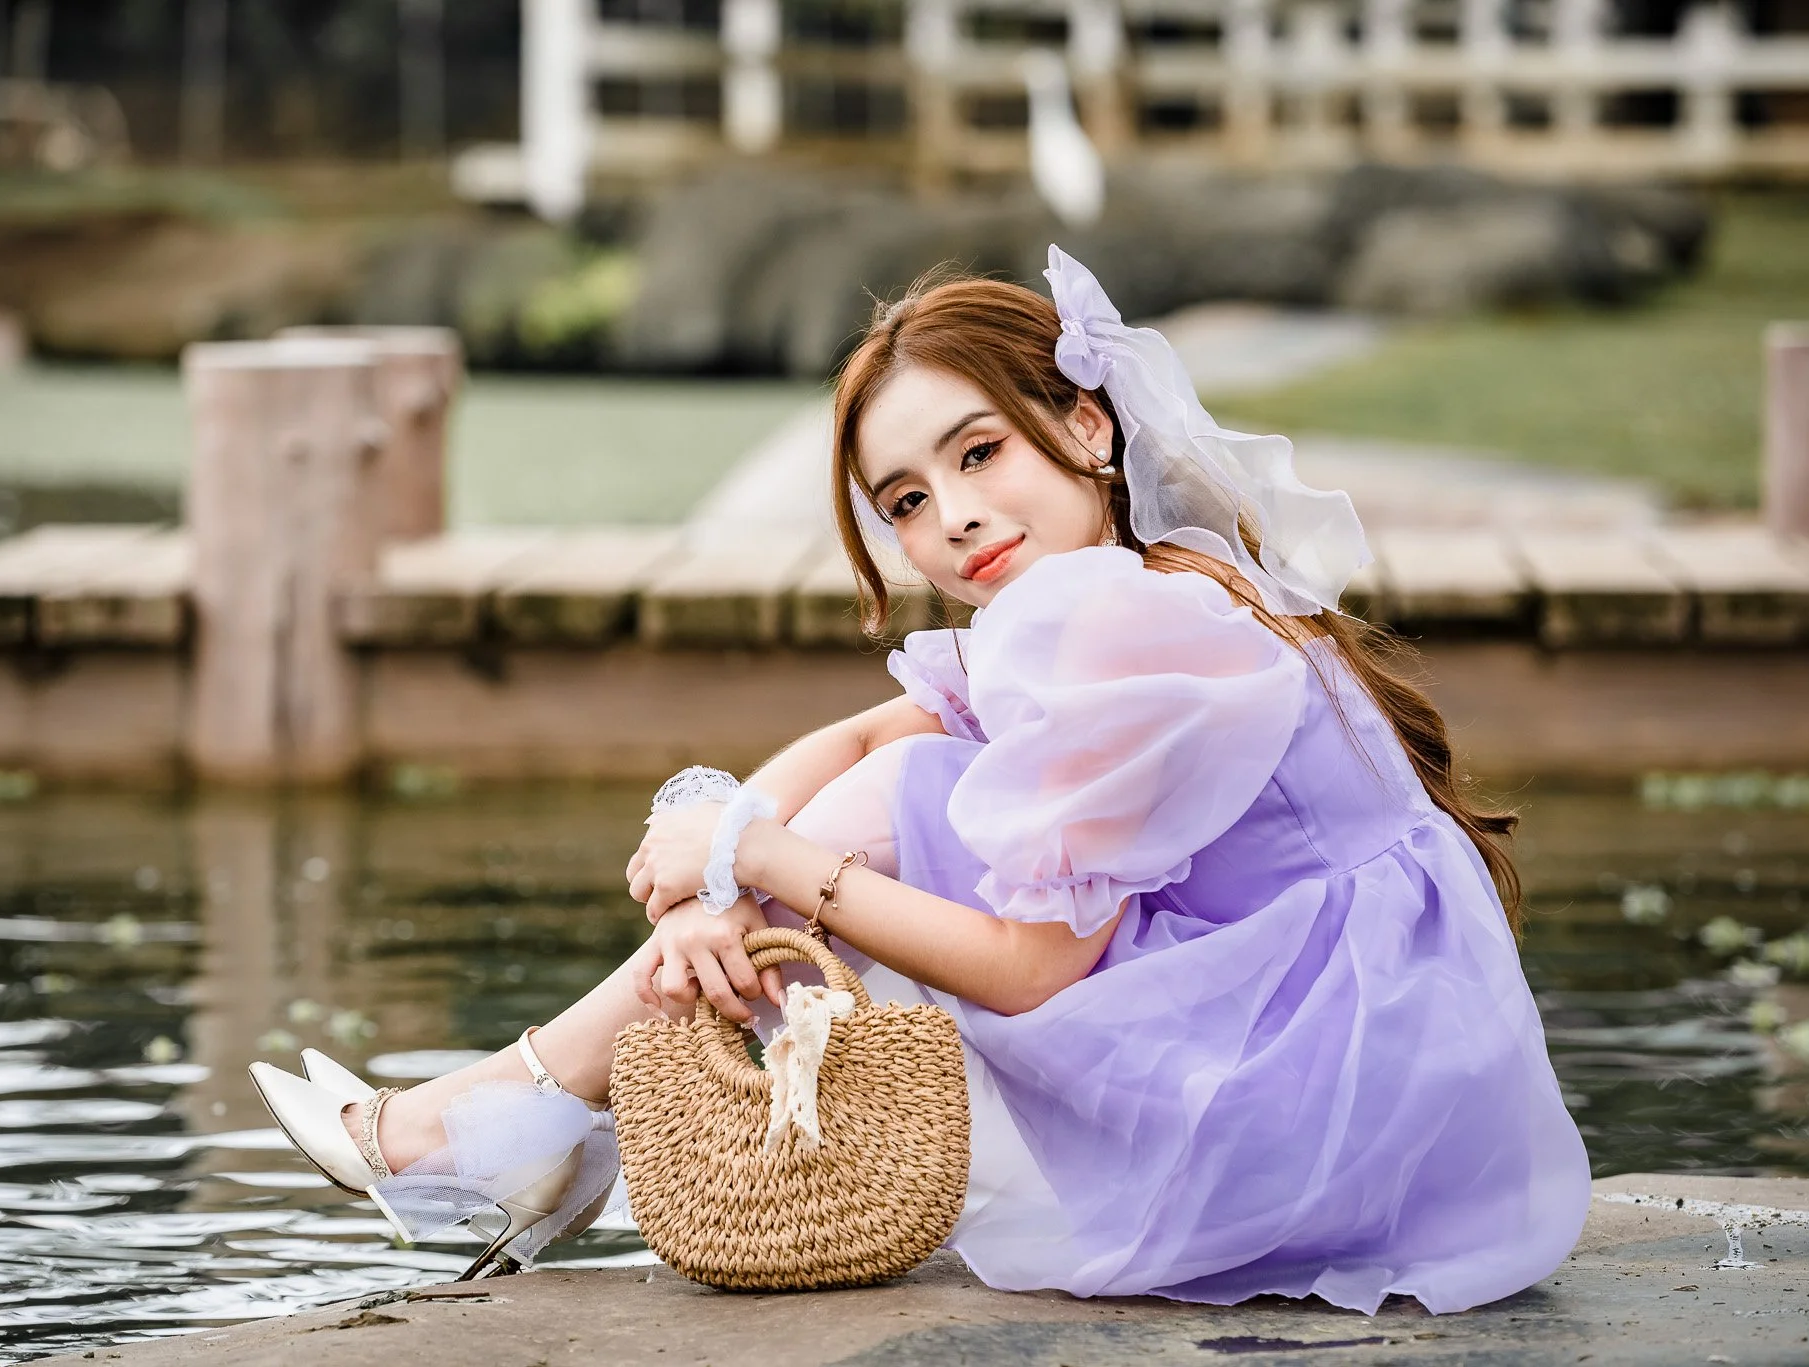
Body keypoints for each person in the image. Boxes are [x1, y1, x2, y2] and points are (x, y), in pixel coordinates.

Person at [250, 246, 1591, 1311]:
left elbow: (1029, 968)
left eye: (978, 451)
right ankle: (520, 1117)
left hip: (1306, 1111)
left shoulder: (1130, 621)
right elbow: (853, 739)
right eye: (902, 500)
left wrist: (763, 865)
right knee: (909, 778)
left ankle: (505, 1128)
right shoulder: (1123, 590)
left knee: (913, 803)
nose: (947, 513)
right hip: (1385, 1098)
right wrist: (718, 873)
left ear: (1087, 426)